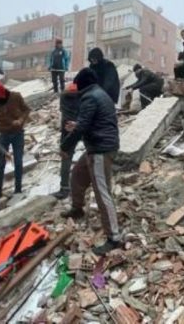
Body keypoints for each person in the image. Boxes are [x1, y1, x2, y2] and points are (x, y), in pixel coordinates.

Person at [60, 68, 121, 256]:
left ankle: (114, 238)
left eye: (77, 85)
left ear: (82, 84)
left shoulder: (89, 97)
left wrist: (65, 146)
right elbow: (90, 122)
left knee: (102, 193)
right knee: (77, 176)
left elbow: (83, 128)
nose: (76, 90)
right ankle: (77, 208)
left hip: (100, 150)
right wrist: (77, 125)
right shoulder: (100, 94)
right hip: (97, 145)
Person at [0, 81, 30, 195]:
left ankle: (18, 189)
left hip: (18, 134)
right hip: (2, 135)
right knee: (1, 163)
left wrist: (21, 120)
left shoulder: (16, 96)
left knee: (18, 161)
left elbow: (26, 109)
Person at [52, 82, 81, 200]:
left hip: (67, 128)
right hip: (81, 126)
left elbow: (62, 110)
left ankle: (64, 188)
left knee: (66, 156)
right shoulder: (82, 96)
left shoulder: (64, 96)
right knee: (92, 153)